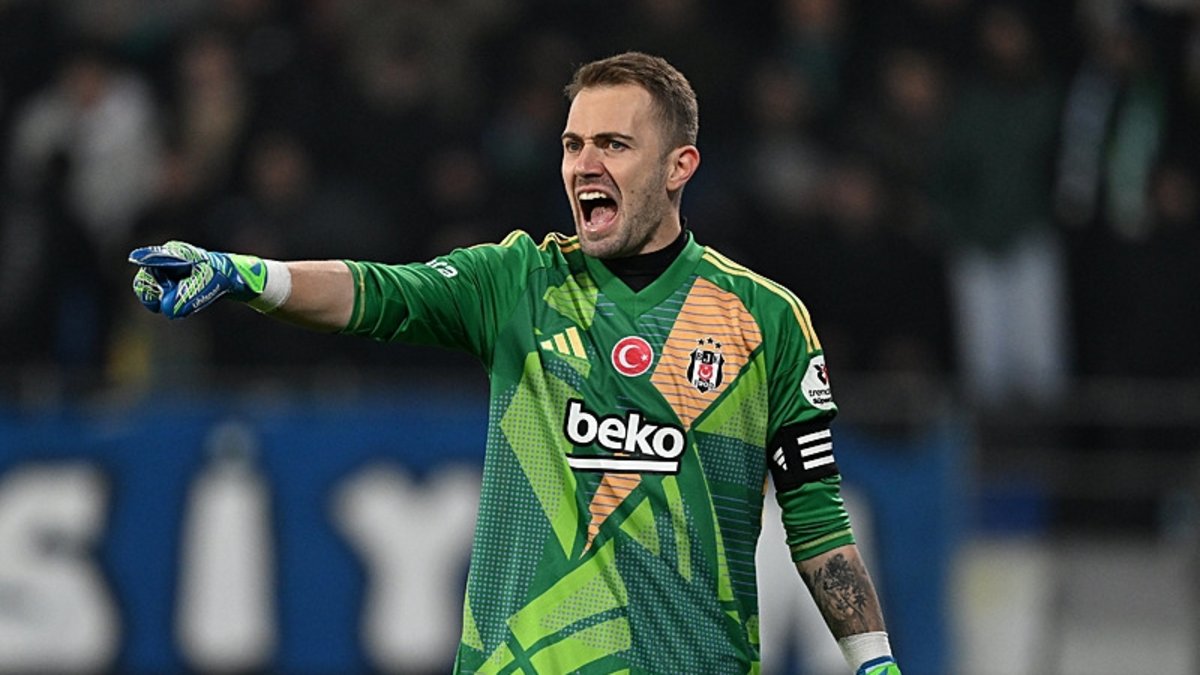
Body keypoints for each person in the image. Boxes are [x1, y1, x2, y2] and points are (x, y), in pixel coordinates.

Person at [128, 52, 900, 675]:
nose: (584, 164)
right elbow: (377, 291)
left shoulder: (765, 321)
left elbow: (817, 520)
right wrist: (247, 274)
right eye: (573, 144)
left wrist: (874, 662)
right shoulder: (518, 282)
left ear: (679, 166)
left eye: (614, 144)